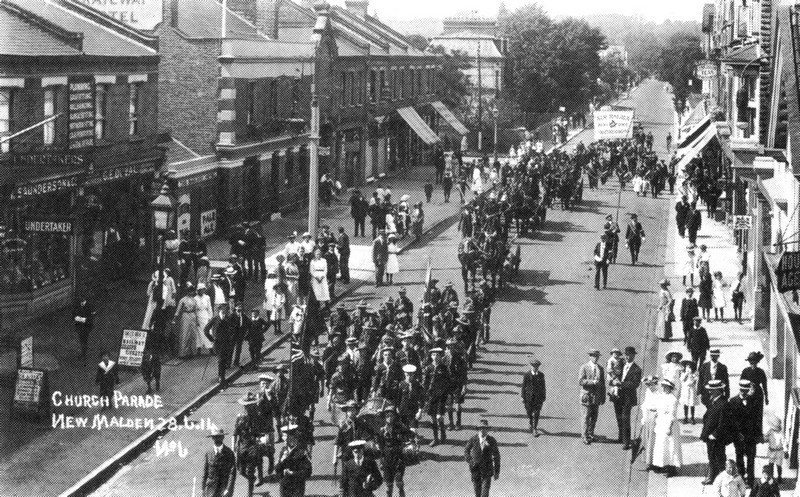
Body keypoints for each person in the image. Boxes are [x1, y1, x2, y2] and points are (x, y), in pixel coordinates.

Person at [729, 379, 760, 488]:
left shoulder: (754, 401)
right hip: (739, 437)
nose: (743, 392)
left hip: (750, 436)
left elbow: (757, 420)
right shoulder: (733, 402)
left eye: (745, 390)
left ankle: (750, 480)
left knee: (751, 458)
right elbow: (731, 421)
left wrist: (757, 435)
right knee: (739, 457)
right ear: (739, 389)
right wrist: (737, 433)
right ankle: (741, 478)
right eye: (742, 390)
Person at [377, 406, 413, 497]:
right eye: (387, 416)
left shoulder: (400, 427)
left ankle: (401, 492)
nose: (389, 418)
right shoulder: (382, 430)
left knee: (398, 481)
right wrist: (381, 460)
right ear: (385, 417)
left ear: (394, 417)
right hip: (387, 458)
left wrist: (407, 437)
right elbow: (380, 446)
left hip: (398, 457)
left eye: (391, 415)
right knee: (388, 485)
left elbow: (410, 435)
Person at [701, 380, 731, 485]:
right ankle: (713, 476)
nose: (709, 392)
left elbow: (723, 422)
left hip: (718, 437)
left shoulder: (723, 403)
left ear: (718, 390)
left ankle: (722, 478)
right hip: (709, 434)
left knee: (719, 457)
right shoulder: (712, 400)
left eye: (712, 390)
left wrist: (715, 434)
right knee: (711, 456)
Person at [652, 379, 682, 475]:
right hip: (661, 423)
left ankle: (672, 468)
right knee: (662, 445)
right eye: (663, 386)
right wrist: (657, 413)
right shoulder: (662, 397)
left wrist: (669, 427)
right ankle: (663, 465)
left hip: (669, 424)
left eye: (666, 387)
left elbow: (672, 414)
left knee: (671, 446)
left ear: (670, 388)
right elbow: (659, 408)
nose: (664, 388)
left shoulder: (673, 399)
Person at [464, 419, 501, 497]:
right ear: (478, 429)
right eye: (480, 428)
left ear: (487, 430)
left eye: (484, 428)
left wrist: (497, 471)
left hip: (487, 469)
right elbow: (466, 451)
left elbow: (496, 456)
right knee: (477, 492)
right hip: (475, 469)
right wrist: (471, 461)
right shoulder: (473, 439)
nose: (482, 430)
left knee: (485, 492)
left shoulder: (491, 440)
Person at [615, 346, 642, 449]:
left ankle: (626, 442)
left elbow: (635, 384)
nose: (627, 357)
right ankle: (621, 437)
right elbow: (615, 373)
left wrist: (621, 384)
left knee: (625, 419)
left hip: (628, 398)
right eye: (626, 355)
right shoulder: (621, 365)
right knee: (619, 417)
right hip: (618, 396)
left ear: (633, 356)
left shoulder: (637, 369)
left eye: (629, 355)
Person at [274, 425, 312, 497]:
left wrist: (293, 473)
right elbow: (277, 470)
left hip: (297, 486)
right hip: (284, 486)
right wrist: (282, 460)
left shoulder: (301, 451)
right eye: (283, 436)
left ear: (293, 437)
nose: (283, 439)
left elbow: (308, 472)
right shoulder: (283, 450)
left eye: (285, 436)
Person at [423, 347, 450, 446]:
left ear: (440, 356)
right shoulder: (428, 368)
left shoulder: (444, 368)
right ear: (431, 356)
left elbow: (448, 382)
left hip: (441, 396)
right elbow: (425, 382)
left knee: (439, 417)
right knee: (433, 418)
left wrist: (446, 394)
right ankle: (435, 438)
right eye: (433, 355)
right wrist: (425, 394)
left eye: (437, 355)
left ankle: (442, 431)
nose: (435, 357)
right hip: (432, 396)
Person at [578, 349, 606, 444]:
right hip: (586, 396)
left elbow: (603, 384)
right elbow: (581, 381)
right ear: (590, 356)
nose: (595, 358)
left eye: (597, 356)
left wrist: (603, 396)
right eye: (593, 356)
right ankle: (584, 436)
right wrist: (592, 382)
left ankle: (591, 434)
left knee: (594, 417)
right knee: (585, 417)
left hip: (596, 397)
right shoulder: (584, 367)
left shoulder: (600, 369)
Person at [741, 351, 768, 439]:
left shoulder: (761, 372)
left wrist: (766, 397)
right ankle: (749, 433)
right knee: (748, 414)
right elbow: (741, 383)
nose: (753, 364)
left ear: (757, 363)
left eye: (755, 363)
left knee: (758, 414)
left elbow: (764, 385)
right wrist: (742, 395)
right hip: (748, 394)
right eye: (751, 362)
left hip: (758, 395)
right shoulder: (745, 371)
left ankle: (758, 434)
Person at [203, 426, 236, 497]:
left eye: (219, 437)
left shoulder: (229, 453)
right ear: (212, 438)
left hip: (224, 488)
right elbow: (205, 472)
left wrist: (228, 489)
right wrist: (203, 489)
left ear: (223, 437)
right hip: (210, 489)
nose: (217, 439)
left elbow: (232, 473)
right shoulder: (208, 453)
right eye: (215, 437)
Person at [205, 305, 235, 383]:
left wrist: (230, 337)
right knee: (221, 360)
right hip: (218, 343)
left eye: (225, 312)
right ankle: (221, 378)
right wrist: (211, 339)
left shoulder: (228, 319)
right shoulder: (215, 319)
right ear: (219, 312)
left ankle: (221, 376)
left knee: (224, 360)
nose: (224, 314)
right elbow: (206, 330)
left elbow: (232, 329)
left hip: (226, 343)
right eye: (222, 312)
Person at [521, 356, 546, 436]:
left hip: (538, 398)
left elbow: (543, 387)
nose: (535, 368)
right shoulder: (527, 375)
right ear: (531, 366)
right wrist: (522, 396)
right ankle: (530, 421)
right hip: (528, 398)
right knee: (529, 412)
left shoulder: (541, 375)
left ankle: (535, 428)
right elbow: (523, 387)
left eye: (536, 366)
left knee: (537, 413)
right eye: (533, 366)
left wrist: (543, 397)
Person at [172, 283, 199, 358]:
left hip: (192, 316)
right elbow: (178, 309)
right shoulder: (183, 300)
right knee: (185, 333)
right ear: (187, 292)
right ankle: (183, 353)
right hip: (185, 315)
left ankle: (192, 352)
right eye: (190, 291)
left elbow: (196, 310)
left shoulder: (194, 300)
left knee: (192, 334)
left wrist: (197, 320)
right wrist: (175, 317)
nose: (191, 293)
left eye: (192, 291)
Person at [640, 376, 660, 468]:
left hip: (655, 416)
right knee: (647, 439)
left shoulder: (659, 393)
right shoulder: (648, 392)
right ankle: (649, 462)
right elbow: (645, 405)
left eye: (651, 385)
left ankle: (655, 462)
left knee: (653, 440)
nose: (650, 387)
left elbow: (661, 406)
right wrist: (644, 418)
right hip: (648, 416)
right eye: (648, 385)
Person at [195, 283, 214, 355]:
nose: (202, 291)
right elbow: (195, 310)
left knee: (208, 332)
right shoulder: (195, 299)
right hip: (199, 316)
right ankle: (198, 349)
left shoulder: (207, 297)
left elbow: (209, 308)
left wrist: (210, 317)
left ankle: (211, 349)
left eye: (203, 290)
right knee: (199, 333)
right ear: (198, 290)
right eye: (201, 290)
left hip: (206, 316)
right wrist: (196, 320)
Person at [765, 414, 784, 483]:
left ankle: (779, 477)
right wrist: (764, 439)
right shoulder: (770, 431)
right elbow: (765, 438)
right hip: (772, 450)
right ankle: (771, 477)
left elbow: (784, 442)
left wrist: (786, 450)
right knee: (771, 464)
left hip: (779, 451)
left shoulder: (781, 433)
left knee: (779, 465)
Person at [679, 359, 699, 424]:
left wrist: (692, 378)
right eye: (687, 365)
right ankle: (686, 417)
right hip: (685, 389)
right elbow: (682, 380)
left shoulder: (694, 372)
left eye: (690, 365)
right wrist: (686, 374)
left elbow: (695, 381)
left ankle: (692, 417)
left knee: (692, 404)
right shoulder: (683, 372)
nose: (688, 366)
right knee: (686, 404)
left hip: (691, 389)